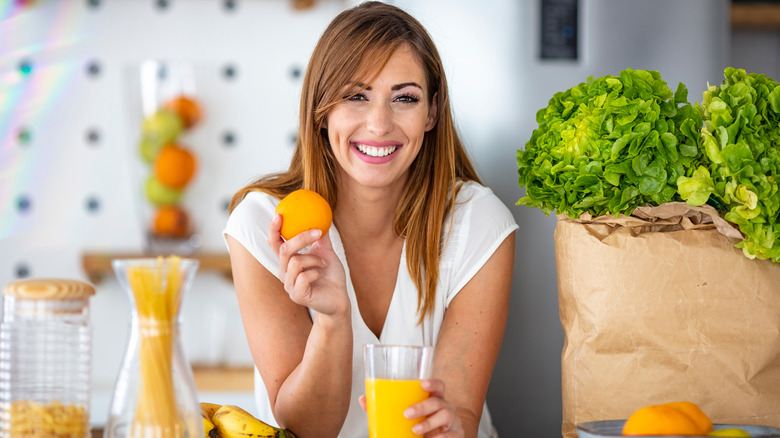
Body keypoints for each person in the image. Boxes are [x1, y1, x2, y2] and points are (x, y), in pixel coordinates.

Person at [223, 2, 517, 437]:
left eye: (405, 98)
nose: (379, 124)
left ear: (432, 112)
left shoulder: (477, 222)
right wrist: (332, 319)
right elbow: (305, 428)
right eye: (355, 96)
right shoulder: (265, 224)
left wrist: (452, 425)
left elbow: (461, 416)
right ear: (322, 109)